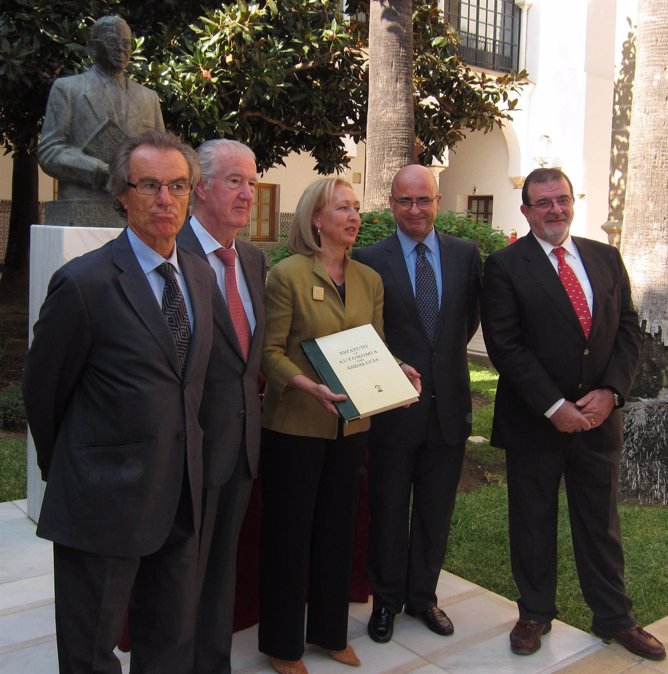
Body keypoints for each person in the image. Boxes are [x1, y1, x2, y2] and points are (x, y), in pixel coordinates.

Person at [23, 130, 218, 673]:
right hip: (103, 502)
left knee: (169, 640)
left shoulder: (200, 277)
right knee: (90, 651)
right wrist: (76, 469)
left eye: (178, 185)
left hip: (181, 493)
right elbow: (44, 392)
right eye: (149, 185)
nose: (165, 199)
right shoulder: (84, 284)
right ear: (122, 195)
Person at [480, 167, 666, 661]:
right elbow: (505, 344)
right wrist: (553, 405)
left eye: (561, 199)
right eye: (543, 202)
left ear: (571, 202)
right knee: (533, 520)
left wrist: (612, 392)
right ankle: (535, 612)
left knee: (600, 522)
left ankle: (615, 618)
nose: (555, 209)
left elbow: (628, 327)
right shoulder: (504, 266)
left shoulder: (604, 257)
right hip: (534, 421)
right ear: (526, 211)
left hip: (600, 420)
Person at [259, 178, 388, 674]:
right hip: (295, 427)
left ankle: (331, 634)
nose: (354, 217)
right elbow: (269, 353)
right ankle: (283, 646)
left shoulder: (369, 280)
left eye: (357, 208)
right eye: (342, 208)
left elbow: (373, 350)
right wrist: (305, 385)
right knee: (289, 537)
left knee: (338, 533)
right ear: (316, 218)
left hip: (350, 429)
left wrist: (397, 373)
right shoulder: (287, 274)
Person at [353, 164, 481, 643]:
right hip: (393, 410)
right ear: (391, 204)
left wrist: (438, 360)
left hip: (448, 408)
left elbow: (464, 324)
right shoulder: (368, 259)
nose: (415, 210)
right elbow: (365, 331)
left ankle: (423, 597)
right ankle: (385, 603)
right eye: (405, 201)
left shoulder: (466, 256)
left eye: (423, 200)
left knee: (435, 510)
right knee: (387, 510)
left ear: (437, 200)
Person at [177, 138, 266, 673]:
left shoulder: (253, 258)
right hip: (188, 446)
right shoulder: (172, 252)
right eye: (236, 180)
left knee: (221, 568)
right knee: (180, 569)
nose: (248, 193)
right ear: (201, 187)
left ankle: (213, 663)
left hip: (242, 445)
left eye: (253, 182)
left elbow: (249, 357)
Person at [38, 15, 164, 224]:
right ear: (92, 47)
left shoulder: (148, 98)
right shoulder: (68, 89)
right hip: (82, 207)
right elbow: (49, 151)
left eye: (126, 44)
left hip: (135, 211)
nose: (121, 49)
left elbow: (161, 153)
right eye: (112, 42)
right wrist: (98, 172)